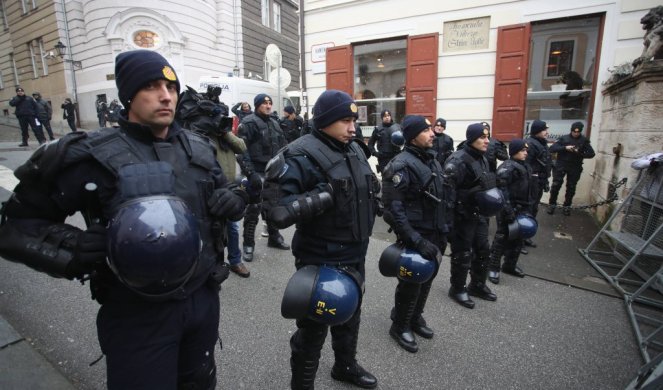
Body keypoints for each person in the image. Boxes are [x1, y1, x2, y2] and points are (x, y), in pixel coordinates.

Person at [0, 50, 247, 389]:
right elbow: (17, 227)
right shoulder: (90, 153)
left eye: (171, 87)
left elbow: (229, 194)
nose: (166, 95)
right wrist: (72, 247)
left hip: (202, 302)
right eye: (151, 86)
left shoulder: (199, 148)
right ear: (128, 95)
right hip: (136, 315)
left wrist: (234, 200)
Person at [266, 89, 380, 389]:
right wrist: (320, 196)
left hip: (356, 252)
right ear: (326, 120)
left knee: (350, 313)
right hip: (320, 257)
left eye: (353, 120)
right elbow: (276, 211)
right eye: (345, 120)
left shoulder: (354, 148)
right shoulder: (299, 154)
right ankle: (302, 384)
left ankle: (345, 366)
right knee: (314, 329)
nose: (353, 127)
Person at [381, 115, 450, 353]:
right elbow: (393, 210)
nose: (432, 133)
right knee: (411, 283)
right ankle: (399, 325)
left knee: (427, 280)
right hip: (416, 236)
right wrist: (416, 240)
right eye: (426, 129)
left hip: (436, 232)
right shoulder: (400, 165)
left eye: (432, 128)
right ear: (412, 136)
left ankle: (414, 316)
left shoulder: (431, 160)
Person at [444, 123, 502, 309]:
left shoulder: (483, 158)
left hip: (480, 215)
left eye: (488, 137)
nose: (487, 141)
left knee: (484, 250)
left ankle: (477, 284)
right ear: (471, 139)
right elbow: (448, 195)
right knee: (463, 253)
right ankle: (457, 288)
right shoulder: (458, 161)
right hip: (462, 216)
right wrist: (448, 223)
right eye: (482, 137)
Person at [237, 93, 290, 262]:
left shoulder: (275, 123)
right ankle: (248, 244)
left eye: (270, 103)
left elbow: (283, 148)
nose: (268, 106)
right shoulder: (248, 123)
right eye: (264, 103)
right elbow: (241, 151)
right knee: (253, 210)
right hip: (256, 172)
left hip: (273, 173)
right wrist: (250, 173)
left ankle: (274, 238)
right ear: (257, 105)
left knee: (273, 207)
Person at [487, 139, 535, 284]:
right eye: (522, 150)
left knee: (518, 239)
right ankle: (493, 267)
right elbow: (501, 191)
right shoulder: (507, 168)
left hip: (523, 208)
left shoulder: (524, 166)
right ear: (514, 151)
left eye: (526, 151)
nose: (525, 153)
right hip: (508, 208)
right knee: (502, 238)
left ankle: (510, 265)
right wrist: (508, 211)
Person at [547, 122, 596, 215]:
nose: (576, 133)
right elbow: (552, 148)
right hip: (561, 165)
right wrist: (565, 148)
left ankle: (567, 206)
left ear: (580, 131)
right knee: (556, 185)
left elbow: (591, 154)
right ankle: (551, 205)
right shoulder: (564, 138)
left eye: (578, 132)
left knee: (571, 187)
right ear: (571, 130)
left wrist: (579, 153)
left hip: (575, 166)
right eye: (574, 131)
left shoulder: (584, 140)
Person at [524, 119, 552, 247]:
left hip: (539, 181)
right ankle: (520, 239)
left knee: (533, 209)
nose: (547, 132)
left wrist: (545, 180)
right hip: (531, 182)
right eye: (544, 130)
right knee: (527, 210)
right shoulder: (530, 144)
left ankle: (526, 236)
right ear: (537, 131)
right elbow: (526, 165)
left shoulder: (542, 143)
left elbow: (545, 163)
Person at [368, 109, 402, 173]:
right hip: (383, 159)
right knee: (386, 178)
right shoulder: (378, 129)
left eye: (388, 115)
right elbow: (370, 144)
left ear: (390, 116)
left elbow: (406, 139)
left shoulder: (397, 127)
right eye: (385, 116)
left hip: (396, 157)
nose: (387, 117)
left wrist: (403, 151)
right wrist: (375, 153)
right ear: (382, 118)